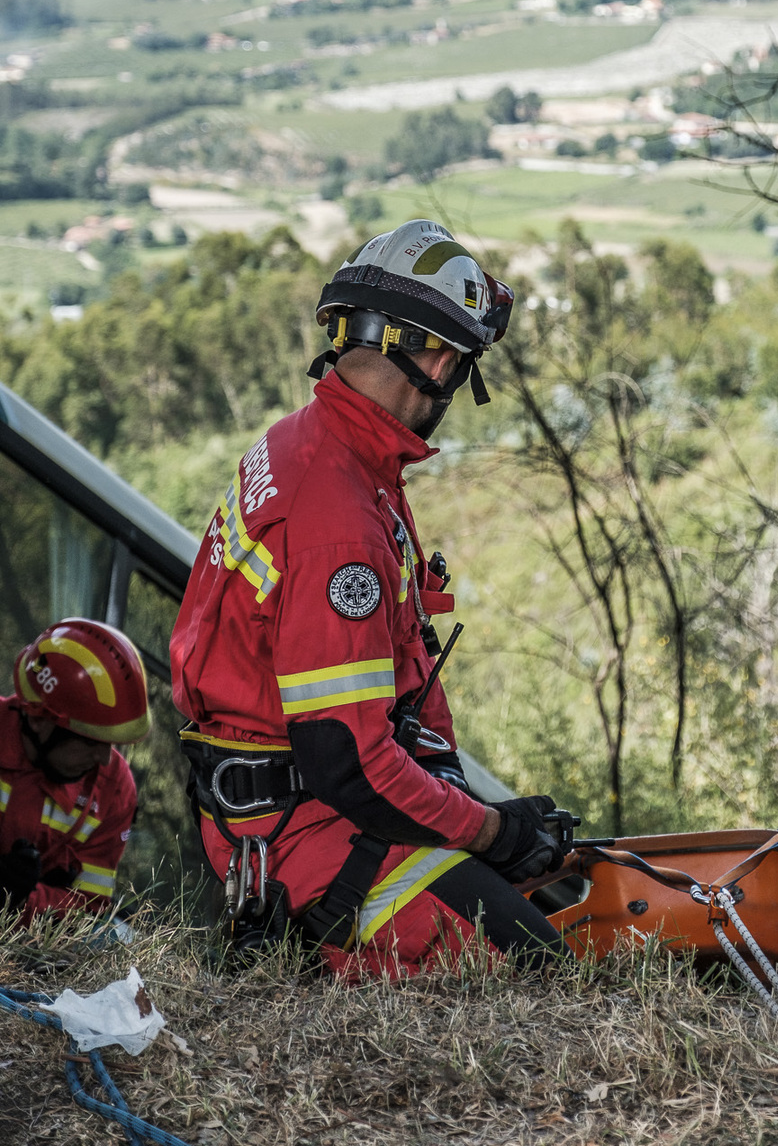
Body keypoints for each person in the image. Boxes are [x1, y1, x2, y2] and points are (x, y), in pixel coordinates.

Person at [171, 219, 568, 978]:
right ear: (441, 361)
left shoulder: (320, 446)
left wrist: (456, 796)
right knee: (539, 969)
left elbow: (404, 663)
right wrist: (492, 833)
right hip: (305, 831)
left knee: (539, 914)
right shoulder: (339, 519)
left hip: (298, 806)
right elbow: (347, 759)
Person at [0, 618, 149, 923]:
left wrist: (23, 901)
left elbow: (88, 906)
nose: (104, 759)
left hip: (37, 945)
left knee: (115, 934)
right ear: (39, 719)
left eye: (111, 743)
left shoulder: (114, 790)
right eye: (91, 740)